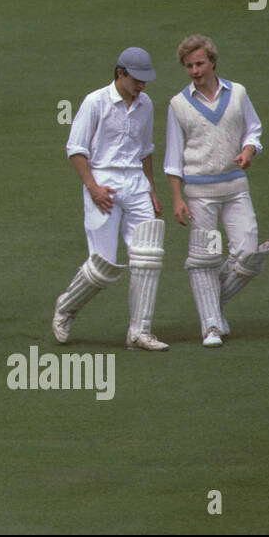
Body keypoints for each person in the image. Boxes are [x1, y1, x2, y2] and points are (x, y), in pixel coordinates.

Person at [52, 47, 168, 351]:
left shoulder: (146, 104)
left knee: (147, 255)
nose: (141, 85)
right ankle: (66, 307)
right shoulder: (95, 101)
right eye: (136, 79)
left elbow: (145, 150)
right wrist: (93, 187)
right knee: (102, 266)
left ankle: (139, 332)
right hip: (103, 181)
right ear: (120, 73)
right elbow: (76, 149)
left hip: (136, 184)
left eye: (145, 80)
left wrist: (151, 188)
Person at [164, 35, 269, 347]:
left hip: (236, 187)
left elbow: (254, 129)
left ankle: (212, 304)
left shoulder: (237, 93)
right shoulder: (178, 104)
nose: (195, 70)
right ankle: (210, 325)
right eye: (188, 66)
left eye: (200, 63)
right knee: (205, 259)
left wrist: (249, 151)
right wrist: (177, 199)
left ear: (212, 62)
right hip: (199, 194)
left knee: (248, 255)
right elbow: (173, 157)